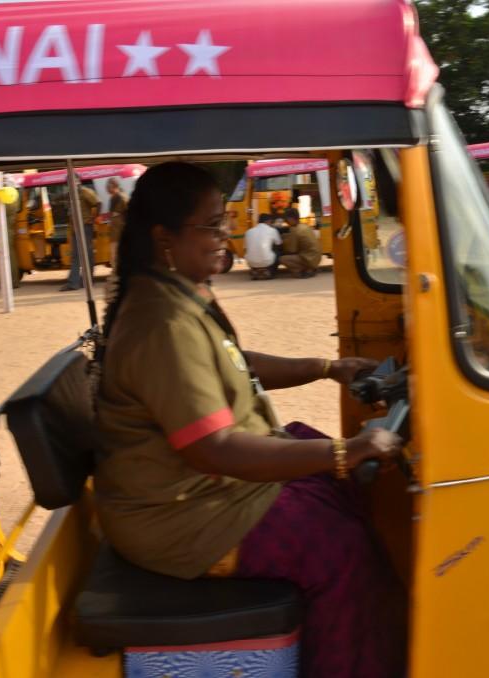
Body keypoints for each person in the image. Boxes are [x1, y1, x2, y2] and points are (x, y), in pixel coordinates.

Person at [96, 162, 406, 677]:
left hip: (208, 489)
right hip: (183, 517)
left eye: (225, 221)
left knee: (336, 481)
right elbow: (214, 448)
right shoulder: (162, 323)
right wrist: (345, 453)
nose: (226, 235)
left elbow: (236, 361)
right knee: (343, 550)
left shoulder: (177, 289)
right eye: (212, 225)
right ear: (163, 236)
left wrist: (328, 368)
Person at [60, 182, 102, 291]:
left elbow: (98, 202)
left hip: (85, 227)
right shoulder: (71, 194)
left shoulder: (85, 192)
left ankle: (87, 281)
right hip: (75, 228)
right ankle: (73, 283)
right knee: (75, 256)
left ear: (77, 181)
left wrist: (94, 217)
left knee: (87, 254)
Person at [278, 207, 322, 278]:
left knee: (282, 259)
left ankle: (303, 271)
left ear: (290, 219)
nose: (286, 222)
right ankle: (310, 268)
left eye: (286, 220)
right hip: (316, 258)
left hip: (309, 259)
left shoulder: (295, 230)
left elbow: (291, 250)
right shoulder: (305, 226)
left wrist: (285, 241)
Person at [244, 213, 281, 280]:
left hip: (251, 262)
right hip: (267, 261)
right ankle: (270, 271)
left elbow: (245, 249)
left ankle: (255, 269)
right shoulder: (272, 230)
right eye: (271, 222)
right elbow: (279, 243)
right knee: (278, 252)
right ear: (268, 221)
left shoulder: (248, 232)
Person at [106, 177, 129, 269]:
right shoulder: (114, 197)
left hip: (120, 232)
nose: (107, 189)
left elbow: (128, 213)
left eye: (109, 187)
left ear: (114, 186)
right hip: (115, 233)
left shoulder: (122, 197)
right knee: (114, 255)